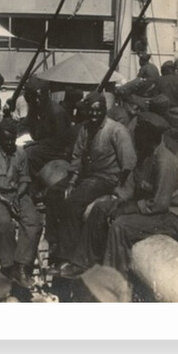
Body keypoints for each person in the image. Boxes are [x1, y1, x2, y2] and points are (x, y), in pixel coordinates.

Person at [63, 112, 178, 277]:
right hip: (151, 205)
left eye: (139, 135)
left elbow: (159, 204)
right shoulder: (145, 154)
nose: (135, 138)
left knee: (121, 225)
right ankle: (82, 263)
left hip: (172, 215)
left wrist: (128, 209)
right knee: (100, 209)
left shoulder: (165, 162)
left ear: (149, 138)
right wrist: (117, 201)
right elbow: (130, 186)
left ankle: (113, 278)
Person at [46, 92, 136, 269]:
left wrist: (118, 192)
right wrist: (71, 182)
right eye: (91, 111)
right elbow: (77, 157)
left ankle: (69, 257)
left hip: (106, 178)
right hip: (87, 176)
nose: (94, 115)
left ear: (104, 110)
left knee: (73, 203)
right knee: (53, 193)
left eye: (98, 111)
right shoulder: (85, 129)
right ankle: (53, 242)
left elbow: (129, 164)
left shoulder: (117, 131)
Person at [0, 119, 42, 288]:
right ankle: (8, 267)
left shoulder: (21, 153)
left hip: (17, 194)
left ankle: (21, 266)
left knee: (34, 222)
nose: (9, 143)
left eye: (12, 139)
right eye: (5, 139)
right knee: (3, 223)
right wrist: (5, 201)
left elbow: (24, 179)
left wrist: (17, 197)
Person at [22, 77, 75, 174]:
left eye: (39, 97)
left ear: (46, 95)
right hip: (41, 145)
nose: (37, 100)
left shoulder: (57, 112)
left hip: (58, 150)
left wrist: (35, 143)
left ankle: (35, 181)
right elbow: (25, 125)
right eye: (34, 97)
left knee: (29, 153)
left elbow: (59, 141)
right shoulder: (34, 108)